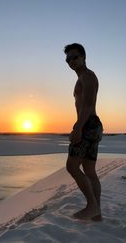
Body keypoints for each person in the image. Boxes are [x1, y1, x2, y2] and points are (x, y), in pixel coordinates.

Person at [64, 43, 103, 221]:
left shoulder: (87, 76)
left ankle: (92, 206)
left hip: (87, 124)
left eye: (74, 57)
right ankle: (96, 212)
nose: (71, 61)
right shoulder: (83, 77)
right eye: (68, 59)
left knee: (71, 166)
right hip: (91, 124)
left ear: (83, 57)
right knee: (89, 171)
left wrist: (78, 128)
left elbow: (87, 105)